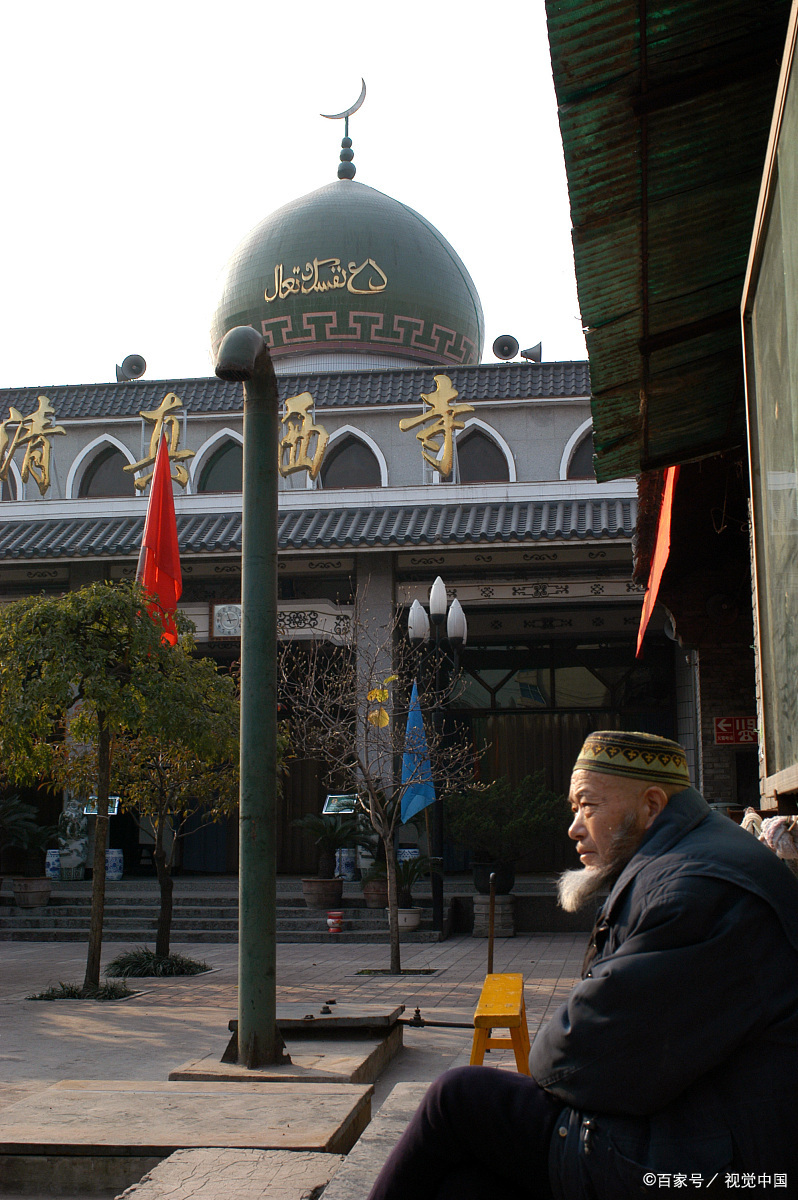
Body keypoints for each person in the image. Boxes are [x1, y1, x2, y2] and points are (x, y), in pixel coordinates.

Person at [367, 731, 798, 1199]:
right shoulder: (696, 854)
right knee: (464, 1187)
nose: (574, 828)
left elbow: (578, 1056)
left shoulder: (692, 890)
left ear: (652, 805)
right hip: (700, 1134)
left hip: (715, 1167)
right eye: (574, 809)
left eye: (587, 806)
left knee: (455, 1098)